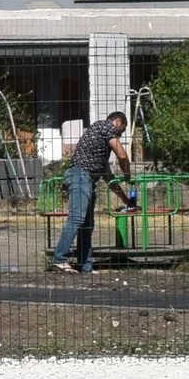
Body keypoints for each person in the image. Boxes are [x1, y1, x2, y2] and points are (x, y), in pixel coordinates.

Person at [58, 111, 131, 274]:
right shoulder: (105, 126)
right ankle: (60, 258)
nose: (120, 135)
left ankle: (86, 267)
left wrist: (125, 199)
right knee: (77, 218)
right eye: (122, 130)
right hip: (80, 176)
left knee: (87, 225)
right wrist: (127, 175)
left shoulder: (98, 151)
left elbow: (109, 178)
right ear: (118, 122)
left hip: (87, 179)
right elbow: (123, 156)